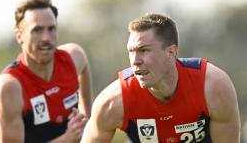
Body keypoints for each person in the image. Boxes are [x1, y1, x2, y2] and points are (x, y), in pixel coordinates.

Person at [81, 13, 240, 143]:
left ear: (171, 53)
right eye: (131, 51)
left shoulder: (213, 87)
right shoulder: (112, 102)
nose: (135, 61)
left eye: (143, 50)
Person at [0, 0, 92, 143]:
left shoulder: (73, 58)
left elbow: (83, 67)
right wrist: (67, 139)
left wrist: (87, 121)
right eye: (37, 30)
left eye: (51, 29)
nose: (46, 38)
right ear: (19, 36)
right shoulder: (10, 87)